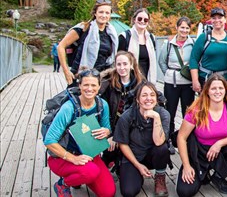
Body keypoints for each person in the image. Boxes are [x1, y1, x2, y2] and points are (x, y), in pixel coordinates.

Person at [43, 69, 115, 197]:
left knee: (107, 192)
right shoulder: (68, 108)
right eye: (86, 85)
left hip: (90, 155)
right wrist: (73, 159)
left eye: (93, 85)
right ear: (79, 86)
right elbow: (49, 140)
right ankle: (63, 184)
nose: (89, 89)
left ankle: (81, 176)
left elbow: (107, 128)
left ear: (99, 86)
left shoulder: (102, 105)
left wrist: (106, 131)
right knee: (90, 172)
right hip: (63, 157)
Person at [176, 74, 227, 196]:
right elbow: (181, 137)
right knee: (185, 192)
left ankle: (218, 177)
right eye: (213, 88)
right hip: (198, 153)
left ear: (226, 90)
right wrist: (187, 166)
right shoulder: (197, 110)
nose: (217, 91)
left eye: (221, 88)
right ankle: (202, 174)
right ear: (207, 91)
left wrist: (219, 144)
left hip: (219, 152)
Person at [114, 82, 171, 197]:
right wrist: (137, 165)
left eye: (152, 95)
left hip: (153, 154)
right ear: (137, 99)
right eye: (144, 95)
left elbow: (159, 141)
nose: (148, 98)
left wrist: (156, 117)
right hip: (133, 156)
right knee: (128, 192)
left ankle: (160, 177)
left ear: (156, 98)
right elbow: (122, 144)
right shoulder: (127, 116)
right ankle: (131, 173)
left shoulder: (163, 114)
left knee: (162, 148)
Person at [99, 51, 145, 167]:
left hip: (132, 128)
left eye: (125, 64)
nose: (122, 67)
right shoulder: (107, 84)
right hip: (112, 127)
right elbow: (105, 112)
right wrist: (111, 135)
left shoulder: (141, 84)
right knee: (109, 151)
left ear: (131, 65)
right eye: (119, 64)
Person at [58, 0, 118, 87]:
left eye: (107, 13)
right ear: (95, 13)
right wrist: (66, 71)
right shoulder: (84, 28)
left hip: (101, 78)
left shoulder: (111, 33)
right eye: (101, 12)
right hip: (81, 76)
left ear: (110, 15)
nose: (104, 15)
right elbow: (61, 47)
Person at [159, 17, 195, 135]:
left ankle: (186, 138)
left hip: (188, 83)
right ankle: (168, 137)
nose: (184, 30)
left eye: (187, 28)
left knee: (188, 112)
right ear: (177, 28)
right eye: (182, 27)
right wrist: (169, 74)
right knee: (170, 111)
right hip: (171, 82)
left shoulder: (193, 44)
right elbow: (162, 61)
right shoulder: (168, 44)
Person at [189, 8, 227, 92]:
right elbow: (193, 59)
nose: (217, 20)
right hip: (206, 80)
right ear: (211, 20)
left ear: (225, 19)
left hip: (226, 80)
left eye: (220, 17)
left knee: (226, 105)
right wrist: (195, 81)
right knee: (206, 105)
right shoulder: (204, 37)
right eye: (214, 18)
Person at [118, 8, 158, 82]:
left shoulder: (151, 38)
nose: (142, 21)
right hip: (129, 79)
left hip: (147, 79)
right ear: (134, 20)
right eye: (140, 19)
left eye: (145, 20)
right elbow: (118, 60)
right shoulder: (125, 37)